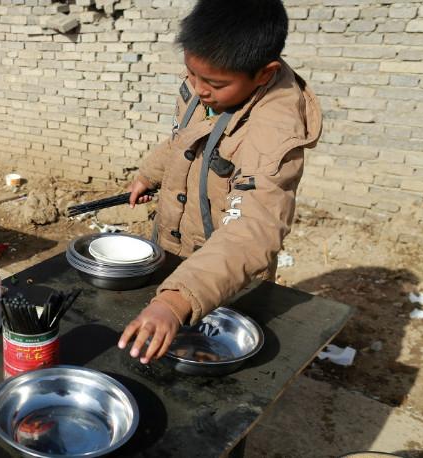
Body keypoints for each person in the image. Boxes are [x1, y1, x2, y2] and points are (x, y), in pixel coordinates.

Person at [118, 0, 322, 363]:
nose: (198, 90)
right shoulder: (209, 84)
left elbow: (252, 229)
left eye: (213, 83)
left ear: (263, 74)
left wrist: (176, 300)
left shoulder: (274, 131)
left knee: (214, 362)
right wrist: (150, 174)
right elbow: (183, 137)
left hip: (227, 278)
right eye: (191, 74)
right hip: (175, 248)